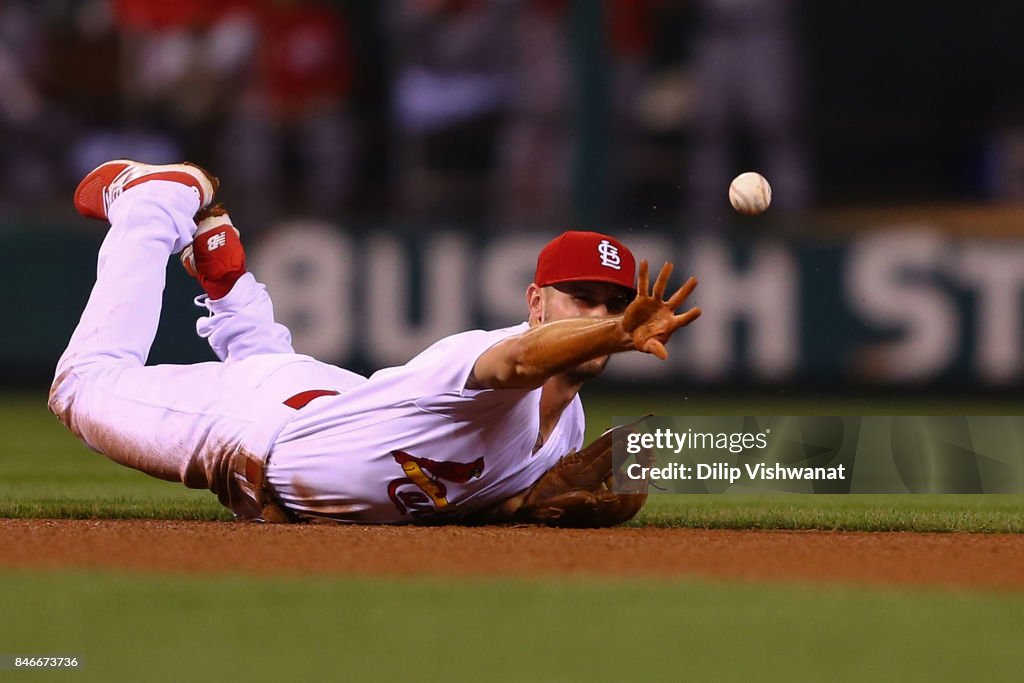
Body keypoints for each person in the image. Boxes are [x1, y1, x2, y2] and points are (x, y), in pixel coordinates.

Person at [49, 160, 701, 524]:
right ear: (535, 303)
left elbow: (489, 488)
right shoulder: (489, 354)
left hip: (326, 402)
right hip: (254, 427)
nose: (597, 312)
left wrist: (528, 504)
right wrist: (616, 332)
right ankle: (152, 203)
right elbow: (522, 361)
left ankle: (218, 256)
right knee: (83, 383)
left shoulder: (566, 430)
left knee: (268, 356)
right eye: (580, 298)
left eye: (614, 303)